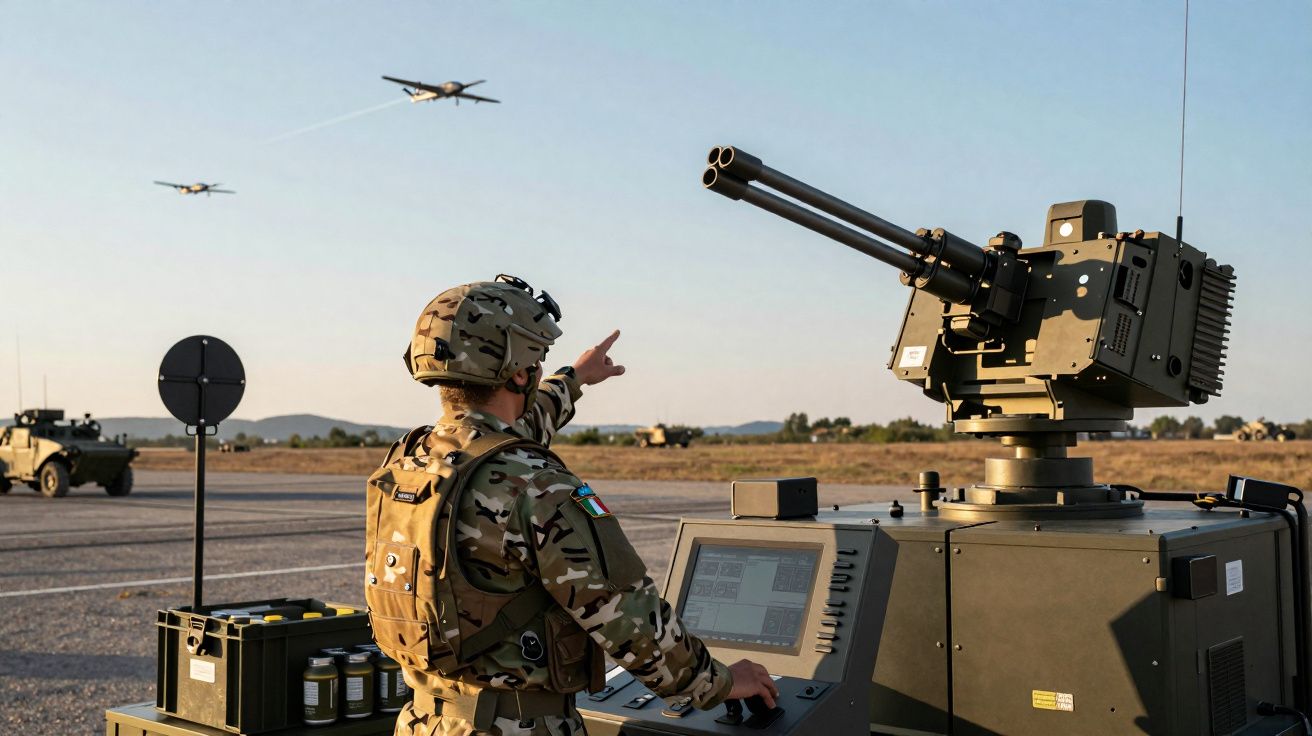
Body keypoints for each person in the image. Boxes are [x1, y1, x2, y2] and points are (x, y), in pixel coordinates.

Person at [365, 275, 777, 736]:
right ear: (519, 372)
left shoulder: (411, 460)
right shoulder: (538, 485)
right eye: (536, 360)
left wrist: (576, 378)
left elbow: (514, 430)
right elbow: (624, 614)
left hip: (425, 720)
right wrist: (718, 682)